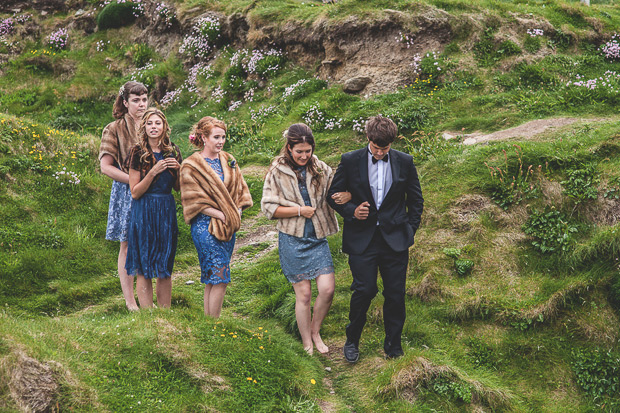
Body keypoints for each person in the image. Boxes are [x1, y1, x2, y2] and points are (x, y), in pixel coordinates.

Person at [327, 115, 424, 362]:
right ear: (368, 138)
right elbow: (333, 195)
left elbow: (416, 200)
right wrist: (352, 211)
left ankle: (393, 347)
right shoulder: (350, 160)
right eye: (376, 148)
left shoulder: (405, 161)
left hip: (396, 241)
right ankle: (352, 341)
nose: (380, 153)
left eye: (385, 149)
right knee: (365, 290)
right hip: (362, 239)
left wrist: (410, 230)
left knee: (395, 294)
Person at [261, 123, 351, 355]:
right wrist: (299, 211)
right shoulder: (276, 172)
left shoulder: (320, 168)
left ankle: (315, 330)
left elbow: (337, 189)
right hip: (292, 240)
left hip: (317, 238)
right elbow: (268, 208)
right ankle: (307, 342)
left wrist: (348, 194)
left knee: (328, 289)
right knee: (304, 295)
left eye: (307, 151)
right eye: (298, 151)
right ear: (289, 148)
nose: (303, 155)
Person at [180, 117, 253, 318]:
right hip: (205, 226)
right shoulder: (190, 165)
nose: (220, 141)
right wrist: (222, 214)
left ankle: (207, 323)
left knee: (213, 276)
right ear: (204, 137)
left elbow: (240, 189)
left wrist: (236, 211)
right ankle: (215, 324)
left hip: (228, 227)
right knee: (220, 276)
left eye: (223, 137)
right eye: (216, 137)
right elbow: (192, 199)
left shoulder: (229, 160)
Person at [125, 108, 182, 308]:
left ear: (165, 126)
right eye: (150, 123)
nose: (154, 127)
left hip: (166, 209)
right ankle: (148, 316)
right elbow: (135, 192)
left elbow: (177, 188)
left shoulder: (172, 151)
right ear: (144, 127)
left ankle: (165, 313)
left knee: (165, 264)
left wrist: (178, 172)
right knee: (144, 265)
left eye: (157, 123)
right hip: (144, 209)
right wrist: (153, 172)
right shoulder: (137, 152)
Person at [99, 81, 148, 311]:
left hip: (152, 191)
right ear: (125, 102)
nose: (141, 104)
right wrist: (132, 180)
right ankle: (130, 302)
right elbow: (106, 167)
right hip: (126, 190)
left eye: (144, 99)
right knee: (127, 246)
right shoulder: (114, 128)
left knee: (148, 243)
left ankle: (146, 299)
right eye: (136, 100)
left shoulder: (154, 124)